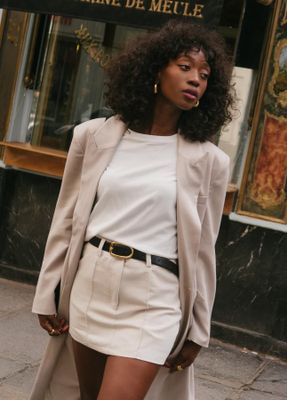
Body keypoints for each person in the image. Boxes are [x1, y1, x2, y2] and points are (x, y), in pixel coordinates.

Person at [29, 20, 234, 400]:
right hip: (92, 282)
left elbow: (204, 250)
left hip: (155, 296)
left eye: (204, 75)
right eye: (185, 67)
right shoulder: (94, 136)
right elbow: (67, 219)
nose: (195, 80)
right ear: (155, 70)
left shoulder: (210, 162)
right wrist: (48, 291)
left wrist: (198, 329)